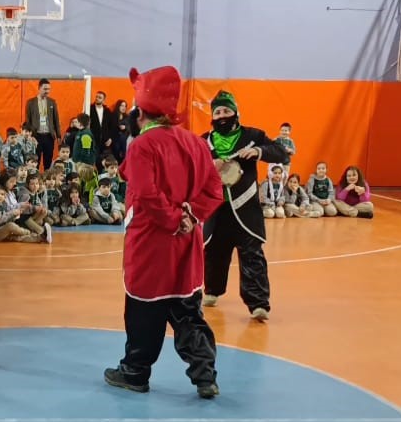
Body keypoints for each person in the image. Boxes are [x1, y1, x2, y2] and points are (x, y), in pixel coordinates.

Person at [103, 66, 225, 399]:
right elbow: (215, 190)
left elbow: (145, 194)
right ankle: (205, 375)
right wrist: (190, 216)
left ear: (139, 111)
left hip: (152, 244)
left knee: (145, 312)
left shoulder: (143, 147)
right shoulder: (196, 144)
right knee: (187, 311)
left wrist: (173, 219)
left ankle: (135, 372)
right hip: (187, 244)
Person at [200, 91, 288, 321]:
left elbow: (281, 154)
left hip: (245, 209)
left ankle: (259, 304)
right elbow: (191, 165)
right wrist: (210, 163)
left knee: (252, 255)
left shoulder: (252, 135)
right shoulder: (203, 141)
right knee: (214, 253)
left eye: (226, 111)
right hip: (217, 209)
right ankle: (212, 290)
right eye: (217, 112)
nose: (222, 116)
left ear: (235, 112)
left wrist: (259, 151)